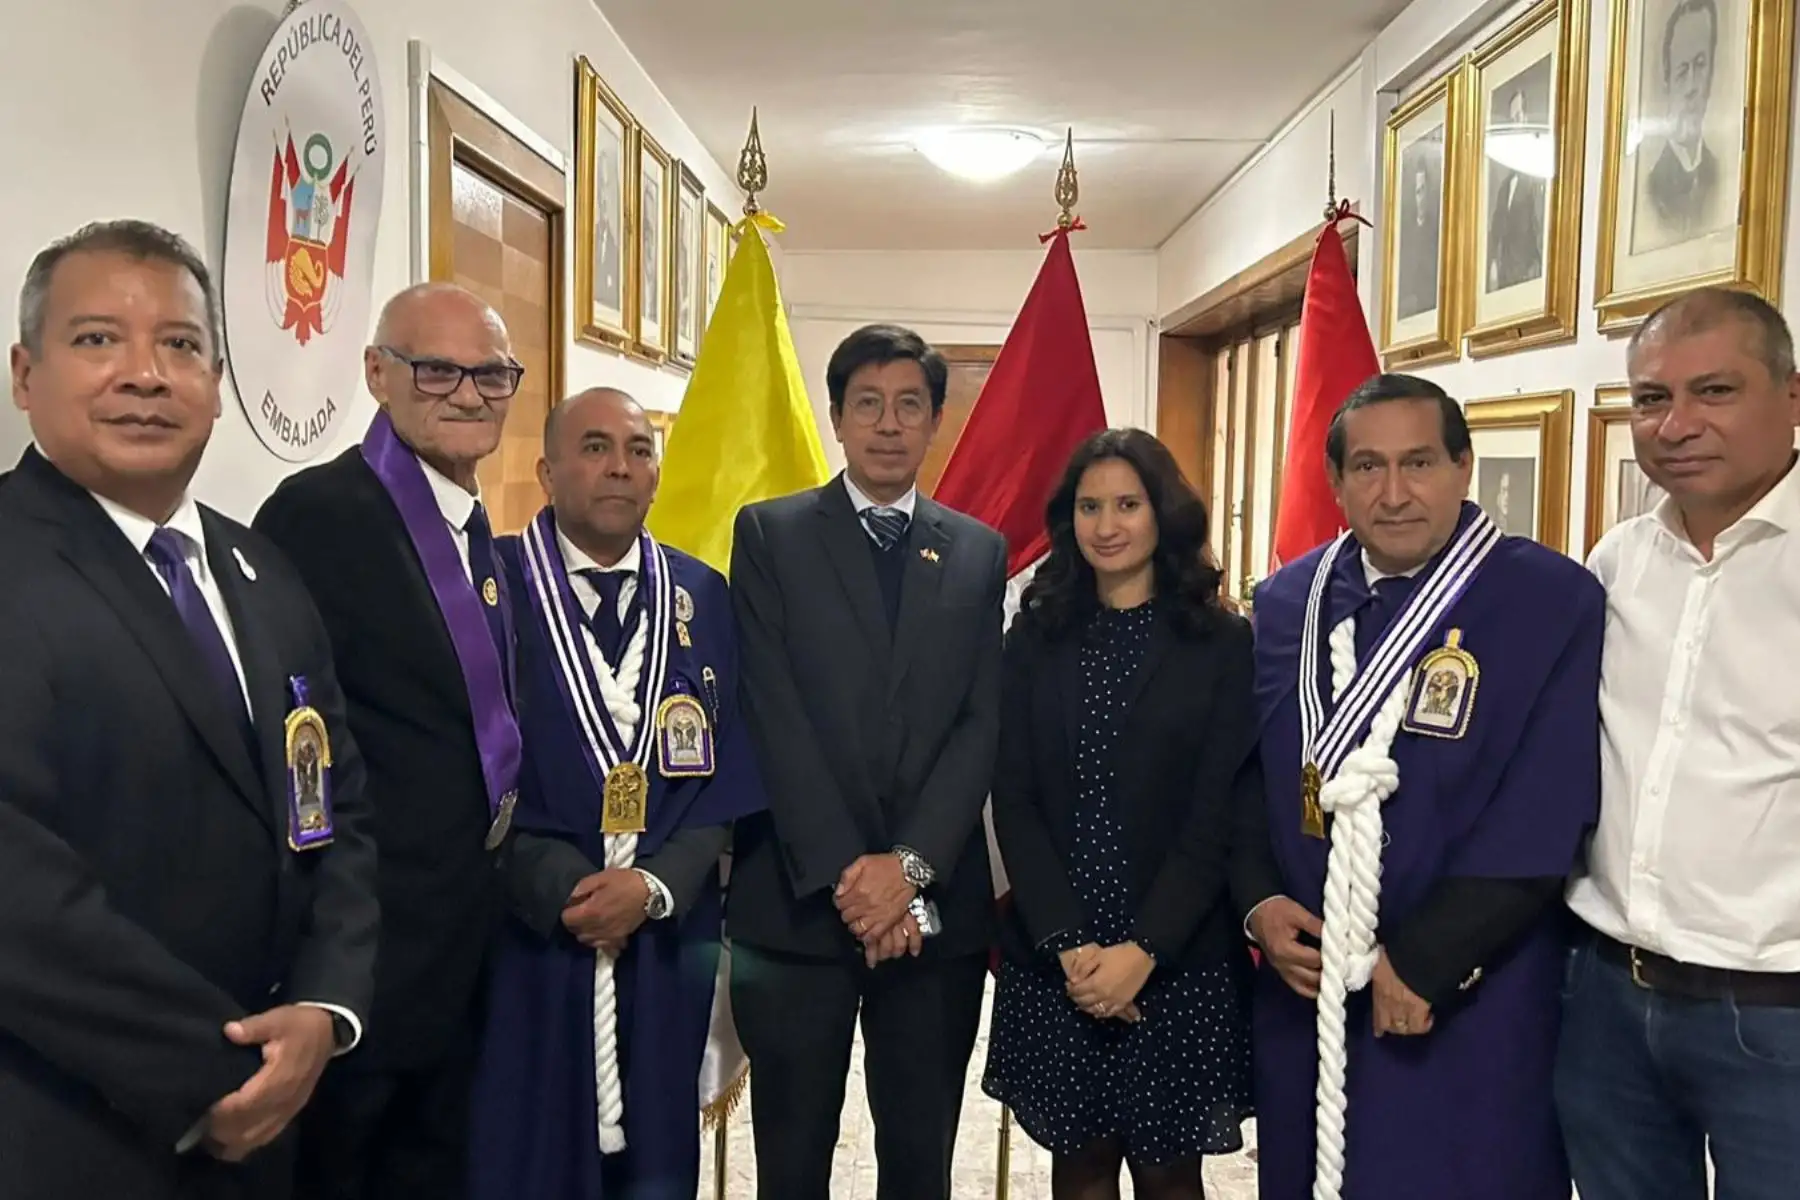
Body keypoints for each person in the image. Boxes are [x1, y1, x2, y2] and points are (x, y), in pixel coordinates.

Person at [0, 219, 377, 1197]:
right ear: (23, 375)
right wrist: (213, 1075)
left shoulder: (261, 570)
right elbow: (19, 896)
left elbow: (336, 811)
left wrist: (324, 1007)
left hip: (279, 1111)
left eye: (180, 345)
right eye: (97, 340)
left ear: (216, 380)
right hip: (73, 1131)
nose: (146, 374)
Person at [1235, 372, 1603, 1200]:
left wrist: (1427, 959)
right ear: (1334, 482)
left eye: (1419, 463)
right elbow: (1251, 774)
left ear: (1465, 466)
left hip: (1470, 994)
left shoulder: (1549, 598)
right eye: (1366, 467)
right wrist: (1260, 901)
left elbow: (1547, 807)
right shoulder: (1290, 600)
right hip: (1312, 985)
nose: (1393, 493)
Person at [253, 282, 526, 1199]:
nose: (467, 393)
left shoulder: (476, 527)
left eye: (491, 374)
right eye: (437, 368)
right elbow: (294, 745)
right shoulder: (321, 514)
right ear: (376, 373)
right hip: (367, 947)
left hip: (459, 934)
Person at [727, 323, 1008, 1199]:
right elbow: (773, 713)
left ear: (934, 423)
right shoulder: (771, 534)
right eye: (868, 405)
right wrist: (859, 880)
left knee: (920, 1158)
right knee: (791, 1152)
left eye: (909, 406)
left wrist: (911, 869)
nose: (889, 425)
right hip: (801, 903)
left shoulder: (977, 549)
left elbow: (978, 723)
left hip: (935, 914)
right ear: (839, 419)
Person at [467, 387, 765, 1198]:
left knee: (656, 1155)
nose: (619, 468)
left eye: (638, 449)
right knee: (529, 1146)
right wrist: (560, 886)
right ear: (548, 469)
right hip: (532, 930)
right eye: (595, 447)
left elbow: (727, 773)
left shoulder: (704, 597)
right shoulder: (487, 586)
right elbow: (457, 771)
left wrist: (657, 886)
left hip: (666, 932)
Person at [1558, 288, 1800, 1200]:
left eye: (1715, 391)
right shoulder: (1618, 561)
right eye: (1653, 399)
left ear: (1793, 396)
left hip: (1775, 1014)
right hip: (1606, 994)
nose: (1677, 424)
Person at [982, 429, 1255, 1199]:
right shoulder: (1035, 635)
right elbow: (1017, 798)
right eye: (1089, 506)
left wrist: (1143, 951)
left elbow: (1215, 815)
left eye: (1127, 505)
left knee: (1169, 1174)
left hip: (1175, 955)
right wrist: (1071, 947)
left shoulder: (1221, 642)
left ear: (1162, 513)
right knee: (1081, 1163)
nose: (1107, 525)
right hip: (1059, 950)